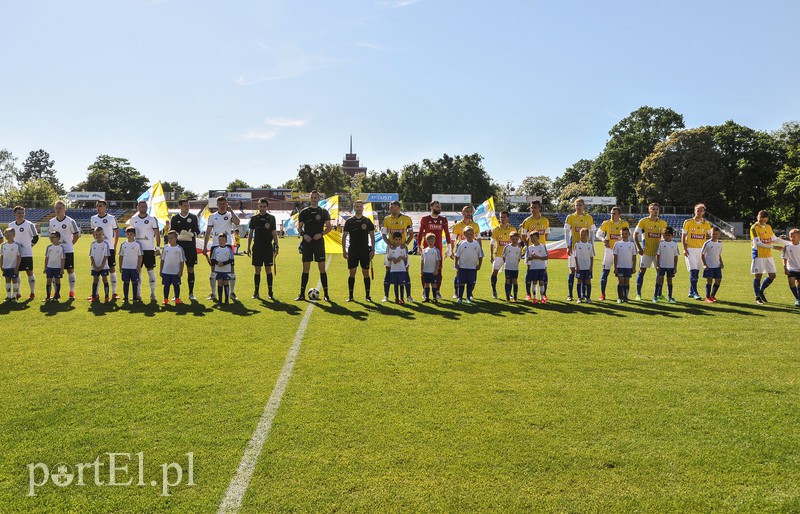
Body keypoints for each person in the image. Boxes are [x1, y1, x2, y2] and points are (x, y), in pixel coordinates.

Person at [294, 191, 332, 301]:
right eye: (312, 197)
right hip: (307, 243)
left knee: (322, 268)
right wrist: (303, 235)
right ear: (310, 199)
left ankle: (326, 295)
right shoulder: (304, 212)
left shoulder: (324, 212)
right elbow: (299, 227)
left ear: (318, 198)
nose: (314, 199)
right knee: (305, 268)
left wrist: (321, 234)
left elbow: (329, 227)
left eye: (316, 197)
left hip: (319, 243)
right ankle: (301, 294)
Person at [203, 196, 241, 300]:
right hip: (215, 246)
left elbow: (237, 222)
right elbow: (208, 232)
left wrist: (231, 210)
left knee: (231, 269)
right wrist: (205, 246)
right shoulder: (212, 216)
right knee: (213, 270)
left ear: (226, 204)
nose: (222, 206)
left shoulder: (229, 215)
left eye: (224, 204)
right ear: (217, 205)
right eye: (220, 204)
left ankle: (232, 293)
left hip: (228, 245)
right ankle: (213, 293)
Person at [750, 209, 787, 304]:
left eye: (764, 220)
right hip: (758, 255)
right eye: (760, 219)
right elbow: (758, 243)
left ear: (767, 219)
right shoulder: (754, 228)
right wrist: (773, 247)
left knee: (772, 275)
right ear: (758, 217)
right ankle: (757, 297)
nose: (762, 221)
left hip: (768, 255)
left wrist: (790, 243)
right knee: (758, 275)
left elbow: (775, 239)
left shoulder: (768, 227)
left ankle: (761, 291)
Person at [380, 201, 414, 302]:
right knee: (388, 270)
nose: (390, 208)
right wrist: (389, 244)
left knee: (406, 271)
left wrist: (406, 244)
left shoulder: (406, 219)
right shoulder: (386, 219)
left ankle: (408, 296)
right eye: (390, 207)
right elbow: (383, 235)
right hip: (391, 249)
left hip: (402, 249)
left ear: (398, 208)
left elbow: (411, 234)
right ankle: (386, 296)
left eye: (393, 207)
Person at [633, 203, 668, 301]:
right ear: (649, 210)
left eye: (657, 209)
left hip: (658, 253)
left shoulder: (663, 223)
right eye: (653, 209)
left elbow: (665, 238)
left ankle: (659, 294)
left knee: (660, 273)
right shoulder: (643, 221)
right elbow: (635, 235)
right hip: (646, 252)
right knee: (642, 271)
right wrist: (639, 248)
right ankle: (638, 294)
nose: (655, 210)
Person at [128, 200, 161, 302]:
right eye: (141, 206)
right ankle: (137, 294)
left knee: (150, 271)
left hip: (149, 250)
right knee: (138, 272)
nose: (143, 208)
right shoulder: (133, 219)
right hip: (137, 249)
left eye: (145, 206)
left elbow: (157, 234)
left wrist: (158, 247)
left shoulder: (151, 219)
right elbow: (130, 234)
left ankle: (153, 294)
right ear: (138, 207)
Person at [417, 200, 451, 299]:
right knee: (424, 269)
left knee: (439, 271)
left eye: (439, 207)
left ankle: (437, 291)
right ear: (431, 207)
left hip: (438, 249)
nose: (439, 208)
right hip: (426, 249)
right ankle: (424, 290)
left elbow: (447, 233)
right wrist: (419, 245)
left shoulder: (443, 220)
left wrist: (449, 247)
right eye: (437, 207)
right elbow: (419, 233)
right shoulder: (425, 219)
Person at [342, 200, 375, 302]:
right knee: (352, 272)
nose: (359, 208)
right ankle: (351, 296)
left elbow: (372, 237)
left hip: (365, 250)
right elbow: (344, 237)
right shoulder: (349, 222)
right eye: (357, 206)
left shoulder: (367, 221)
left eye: (360, 206)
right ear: (354, 208)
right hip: (353, 250)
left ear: (363, 208)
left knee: (366, 273)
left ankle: (368, 296)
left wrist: (373, 250)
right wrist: (344, 250)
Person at [564, 198, 596, 301]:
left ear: (584, 206)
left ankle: (583, 295)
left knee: (585, 273)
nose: (578, 207)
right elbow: (567, 232)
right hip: (574, 248)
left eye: (580, 205)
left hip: (585, 250)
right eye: (576, 205)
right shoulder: (570, 217)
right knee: (572, 270)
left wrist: (592, 245)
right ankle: (570, 294)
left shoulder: (589, 218)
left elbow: (592, 233)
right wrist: (568, 246)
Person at [247, 198, 279, 300]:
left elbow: (274, 233)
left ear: (267, 207)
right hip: (257, 247)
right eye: (260, 206)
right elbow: (251, 233)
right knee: (257, 270)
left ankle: (270, 292)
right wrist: (248, 247)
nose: (262, 208)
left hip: (268, 247)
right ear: (258, 206)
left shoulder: (271, 218)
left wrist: (277, 246)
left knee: (268, 270)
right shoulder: (254, 219)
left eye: (264, 207)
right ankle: (256, 292)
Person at [595, 206, 629, 301]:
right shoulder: (606, 223)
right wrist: (603, 240)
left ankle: (622, 296)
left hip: (621, 252)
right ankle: (602, 294)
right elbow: (598, 234)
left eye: (614, 213)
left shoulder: (625, 223)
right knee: (605, 272)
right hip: (609, 251)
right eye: (611, 213)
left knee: (622, 275)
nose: (612, 215)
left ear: (619, 214)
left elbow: (627, 236)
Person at [519, 200, 550, 301]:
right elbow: (523, 236)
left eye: (535, 207)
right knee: (529, 272)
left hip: (542, 249)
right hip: (530, 250)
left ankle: (544, 294)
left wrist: (540, 244)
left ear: (540, 208)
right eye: (531, 207)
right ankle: (528, 294)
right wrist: (528, 246)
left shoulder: (545, 220)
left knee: (544, 272)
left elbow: (546, 235)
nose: (533, 209)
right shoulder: (527, 221)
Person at [48, 200, 80, 299]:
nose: (58, 210)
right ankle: (56, 293)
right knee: (54, 272)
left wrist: (71, 244)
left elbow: (76, 235)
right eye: (56, 208)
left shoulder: (70, 221)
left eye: (60, 208)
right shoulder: (51, 221)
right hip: (56, 251)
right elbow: (51, 236)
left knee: (70, 270)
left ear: (65, 209)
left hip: (68, 250)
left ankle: (72, 292)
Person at [170, 199, 201, 300]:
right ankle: (176, 294)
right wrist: (178, 236)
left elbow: (198, 231)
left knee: (190, 268)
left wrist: (191, 234)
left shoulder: (193, 217)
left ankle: (191, 293)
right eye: (184, 206)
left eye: (188, 206)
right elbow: (171, 232)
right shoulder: (174, 218)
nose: (186, 207)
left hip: (190, 247)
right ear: (180, 206)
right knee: (176, 270)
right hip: (178, 248)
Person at [681, 203, 712, 300]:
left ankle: (691, 291)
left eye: (701, 210)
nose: (699, 212)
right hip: (690, 249)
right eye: (698, 210)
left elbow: (710, 236)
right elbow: (683, 236)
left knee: (697, 271)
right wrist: (684, 249)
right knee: (693, 271)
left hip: (701, 250)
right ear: (694, 211)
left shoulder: (706, 224)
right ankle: (695, 293)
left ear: (704, 212)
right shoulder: (688, 222)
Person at [450, 205, 481, 299]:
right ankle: (456, 292)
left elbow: (479, 239)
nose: (468, 213)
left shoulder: (475, 225)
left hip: (473, 252)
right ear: (462, 213)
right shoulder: (458, 225)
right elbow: (452, 239)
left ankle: (470, 293)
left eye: (469, 211)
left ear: (471, 213)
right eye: (466, 211)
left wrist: (480, 250)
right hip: (461, 251)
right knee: (458, 272)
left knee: (472, 272)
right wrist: (451, 251)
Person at [8, 205, 39, 299]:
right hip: (15, 254)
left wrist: (30, 245)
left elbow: (36, 237)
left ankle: (32, 292)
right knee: (16, 273)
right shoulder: (11, 225)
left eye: (22, 213)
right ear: (14, 214)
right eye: (19, 213)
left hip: (26, 253)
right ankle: (18, 292)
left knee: (29, 272)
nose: (21, 215)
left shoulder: (30, 224)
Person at [90, 200, 119, 299]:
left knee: (112, 269)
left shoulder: (111, 218)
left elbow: (116, 232)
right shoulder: (93, 218)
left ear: (105, 207)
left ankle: (114, 292)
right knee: (97, 270)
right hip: (98, 249)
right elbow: (93, 233)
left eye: (100, 206)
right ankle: (95, 293)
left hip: (109, 247)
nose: (98, 208)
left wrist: (114, 246)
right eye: (97, 206)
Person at [455, 226, 483, 304]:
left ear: (473, 234)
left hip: (472, 268)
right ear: (464, 234)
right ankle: (460, 298)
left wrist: (479, 265)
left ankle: (468, 298)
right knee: (461, 283)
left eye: (471, 234)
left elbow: (480, 256)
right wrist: (456, 264)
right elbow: (457, 255)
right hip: (462, 267)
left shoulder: (476, 244)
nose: (469, 235)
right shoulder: (461, 243)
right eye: (467, 234)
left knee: (470, 283)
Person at [490, 211, 515, 299]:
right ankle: (494, 290)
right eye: (501, 217)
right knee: (494, 272)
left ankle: (509, 292)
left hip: (510, 256)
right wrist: (491, 255)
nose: (502, 219)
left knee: (510, 275)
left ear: (508, 218)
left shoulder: (512, 229)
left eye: (504, 217)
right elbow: (492, 243)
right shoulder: (496, 230)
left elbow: (517, 243)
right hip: (499, 255)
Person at [160, 230, 186, 305]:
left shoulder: (179, 249)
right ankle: (165, 299)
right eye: (168, 238)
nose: (170, 240)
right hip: (166, 271)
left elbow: (182, 261)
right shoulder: (165, 248)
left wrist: (181, 271)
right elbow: (162, 260)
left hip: (175, 271)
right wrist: (161, 270)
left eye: (171, 238)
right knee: (166, 286)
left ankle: (177, 299)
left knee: (176, 285)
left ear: (176, 238)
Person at [118, 227, 143, 303]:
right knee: (126, 282)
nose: (129, 236)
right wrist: (120, 266)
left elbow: (140, 256)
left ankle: (135, 297)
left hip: (134, 267)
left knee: (135, 283)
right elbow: (121, 256)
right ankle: (125, 298)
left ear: (134, 235)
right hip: (125, 267)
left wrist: (138, 266)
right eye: (128, 234)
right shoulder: (123, 244)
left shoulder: (137, 244)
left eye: (131, 234)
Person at [654, 227, 679, 303]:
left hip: (670, 266)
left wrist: (675, 267)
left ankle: (670, 297)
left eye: (668, 235)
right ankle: (655, 296)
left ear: (671, 235)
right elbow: (657, 255)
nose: (666, 236)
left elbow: (676, 256)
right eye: (664, 235)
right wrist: (657, 265)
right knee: (660, 280)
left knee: (669, 281)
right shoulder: (661, 244)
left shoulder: (674, 244)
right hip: (662, 265)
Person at [613, 227, 637, 303]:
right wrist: (615, 267)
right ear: (620, 235)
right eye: (622, 234)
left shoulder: (632, 244)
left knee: (627, 281)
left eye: (626, 233)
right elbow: (615, 256)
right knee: (621, 281)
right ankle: (620, 297)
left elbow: (634, 256)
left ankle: (626, 297)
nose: (624, 235)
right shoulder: (617, 244)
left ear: (629, 234)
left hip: (628, 266)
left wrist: (633, 267)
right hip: (620, 266)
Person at [525, 231, 548, 303]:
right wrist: (531, 257)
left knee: (541, 282)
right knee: (534, 282)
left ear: (538, 238)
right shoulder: (529, 248)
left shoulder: (542, 246)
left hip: (541, 267)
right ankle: (535, 298)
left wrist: (537, 257)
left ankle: (542, 298)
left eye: (534, 238)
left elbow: (546, 257)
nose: (532, 240)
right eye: (531, 238)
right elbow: (528, 258)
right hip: (533, 267)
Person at [701, 227, 724, 303]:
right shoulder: (707, 243)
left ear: (719, 234)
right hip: (709, 266)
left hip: (717, 265)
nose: (715, 235)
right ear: (710, 234)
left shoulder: (719, 244)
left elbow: (719, 254)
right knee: (709, 281)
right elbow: (702, 254)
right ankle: (707, 297)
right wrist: (704, 264)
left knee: (718, 281)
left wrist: (721, 262)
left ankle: (712, 295)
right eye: (713, 234)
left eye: (716, 234)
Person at [88, 227, 111, 303]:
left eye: (99, 234)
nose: (98, 235)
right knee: (95, 280)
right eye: (96, 234)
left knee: (105, 280)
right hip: (95, 266)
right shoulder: (93, 244)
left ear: (103, 234)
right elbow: (91, 255)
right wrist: (94, 265)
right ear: (94, 234)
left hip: (103, 267)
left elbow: (106, 256)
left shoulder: (105, 244)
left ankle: (106, 297)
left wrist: (101, 266)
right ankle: (94, 296)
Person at [211, 233, 235, 303]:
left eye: (223, 240)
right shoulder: (215, 249)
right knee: (220, 283)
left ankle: (226, 299)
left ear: (226, 241)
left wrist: (224, 263)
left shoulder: (228, 249)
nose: (221, 241)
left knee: (226, 283)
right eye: (220, 240)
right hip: (218, 270)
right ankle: (220, 300)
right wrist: (217, 263)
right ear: (218, 241)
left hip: (226, 270)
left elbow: (231, 260)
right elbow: (212, 259)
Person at [573, 227, 595, 303]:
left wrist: (591, 267)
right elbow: (575, 256)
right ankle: (579, 298)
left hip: (587, 267)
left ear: (587, 235)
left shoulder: (590, 245)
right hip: (580, 267)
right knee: (579, 281)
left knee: (588, 281)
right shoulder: (577, 244)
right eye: (582, 235)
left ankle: (588, 298)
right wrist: (576, 266)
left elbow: (592, 257)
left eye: (585, 235)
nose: (583, 236)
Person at [43, 232, 65, 302]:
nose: (51, 239)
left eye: (53, 237)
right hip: (49, 267)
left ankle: (56, 296)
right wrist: (45, 268)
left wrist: (62, 269)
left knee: (57, 281)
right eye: (50, 237)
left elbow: (63, 259)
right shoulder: (49, 247)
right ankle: (48, 297)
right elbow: (46, 258)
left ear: (58, 238)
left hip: (57, 267)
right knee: (48, 281)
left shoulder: (61, 248)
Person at [386, 232, 408, 304]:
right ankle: (396, 298)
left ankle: (402, 298)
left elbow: (405, 258)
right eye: (396, 239)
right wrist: (393, 258)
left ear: (401, 240)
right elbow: (388, 258)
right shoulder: (391, 248)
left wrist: (401, 257)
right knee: (395, 284)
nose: (397, 241)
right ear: (393, 240)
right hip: (394, 270)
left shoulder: (403, 248)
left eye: (399, 239)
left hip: (401, 269)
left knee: (401, 284)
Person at [1, 227, 22, 301]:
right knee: (7, 280)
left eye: (9, 235)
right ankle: (8, 296)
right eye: (5, 235)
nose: (7, 237)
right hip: (6, 266)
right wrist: (1, 265)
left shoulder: (17, 245)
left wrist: (17, 267)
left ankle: (14, 296)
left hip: (13, 267)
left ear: (13, 235)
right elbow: (2, 256)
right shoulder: (3, 245)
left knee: (14, 280)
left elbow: (19, 256)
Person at [420, 233, 441, 303]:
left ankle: (435, 297)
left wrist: (436, 270)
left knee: (434, 284)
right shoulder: (424, 250)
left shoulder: (436, 250)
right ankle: (427, 297)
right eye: (429, 241)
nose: (430, 242)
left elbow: (438, 260)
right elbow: (422, 260)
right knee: (426, 284)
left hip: (433, 271)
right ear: (426, 241)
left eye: (432, 241)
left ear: (434, 241)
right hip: (426, 270)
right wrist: (422, 269)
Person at [782, 228, 800, 307]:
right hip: (791, 268)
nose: (792, 238)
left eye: (794, 236)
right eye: (790, 236)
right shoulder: (787, 246)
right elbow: (784, 258)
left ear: (799, 237)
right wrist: (785, 268)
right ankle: (797, 298)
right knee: (791, 282)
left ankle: (798, 298)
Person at [502, 231, 523, 302]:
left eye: (516, 239)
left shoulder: (519, 248)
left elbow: (519, 258)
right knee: (507, 281)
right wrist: (507, 263)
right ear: (510, 239)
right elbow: (504, 257)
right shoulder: (507, 247)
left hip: (515, 267)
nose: (515, 241)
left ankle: (515, 297)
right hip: (508, 267)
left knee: (515, 281)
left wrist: (515, 264)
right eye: (513, 239)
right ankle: (507, 297)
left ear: (518, 239)